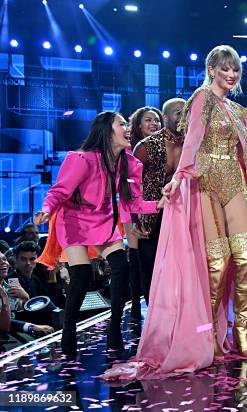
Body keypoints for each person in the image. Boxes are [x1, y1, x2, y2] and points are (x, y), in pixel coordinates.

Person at [102, 45, 247, 381]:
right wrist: (180, 178)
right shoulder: (201, 98)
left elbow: (246, 157)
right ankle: (211, 335)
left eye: (236, 70)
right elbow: (193, 141)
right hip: (205, 186)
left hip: (235, 185)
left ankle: (240, 332)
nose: (231, 75)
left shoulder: (236, 110)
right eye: (225, 69)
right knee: (217, 263)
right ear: (212, 68)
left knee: (246, 257)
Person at [34, 111, 161, 357]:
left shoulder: (129, 163)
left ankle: (114, 329)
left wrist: (159, 203)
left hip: (104, 220)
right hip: (73, 222)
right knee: (81, 276)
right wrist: (46, 210)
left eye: (126, 124)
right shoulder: (81, 159)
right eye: (121, 124)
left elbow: (134, 202)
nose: (127, 128)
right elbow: (59, 191)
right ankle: (68, 329)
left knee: (121, 268)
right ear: (106, 130)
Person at [132, 98, 186, 310]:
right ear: (165, 117)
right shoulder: (146, 146)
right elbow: (132, 187)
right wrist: (136, 219)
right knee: (151, 268)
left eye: (186, 113)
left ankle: (180, 314)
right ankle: (153, 314)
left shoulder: (193, 145)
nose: (183, 118)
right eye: (178, 113)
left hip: (183, 213)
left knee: (182, 268)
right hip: (153, 214)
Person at [125, 106, 164, 324]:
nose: (153, 124)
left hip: (159, 209)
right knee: (139, 262)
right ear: (138, 125)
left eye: (157, 120)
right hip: (135, 213)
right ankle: (135, 306)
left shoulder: (164, 147)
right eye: (148, 120)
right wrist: (133, 219)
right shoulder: (132, 151)